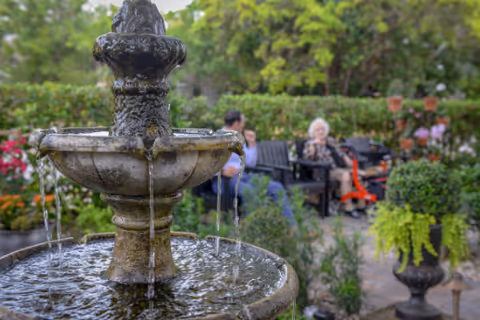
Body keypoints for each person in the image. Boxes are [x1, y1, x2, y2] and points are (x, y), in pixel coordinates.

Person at [212, 110, 296, 227]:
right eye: (243, 122)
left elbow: (249, 162)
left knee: (277, 187)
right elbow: (205, 165)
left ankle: (291, 227)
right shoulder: (216, 139)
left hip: (243, 176)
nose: (244, 125)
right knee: (250, 192)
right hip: (224, 181)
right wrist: (222, 171)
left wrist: (252, 144)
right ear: (236, 123)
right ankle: (252, 230)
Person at [303, 118, 365, 218]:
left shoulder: (331, 141)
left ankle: (361, 205)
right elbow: (307, 158)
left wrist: (347, 159)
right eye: (317, 130)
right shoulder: (310, 143)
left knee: (360, 174)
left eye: (322, 129)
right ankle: (348, 207)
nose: (321, 132)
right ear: (313, 132)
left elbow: (340, 153)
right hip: (324, 171)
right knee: (346, 176)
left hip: (339, 168)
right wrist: (313, 148)